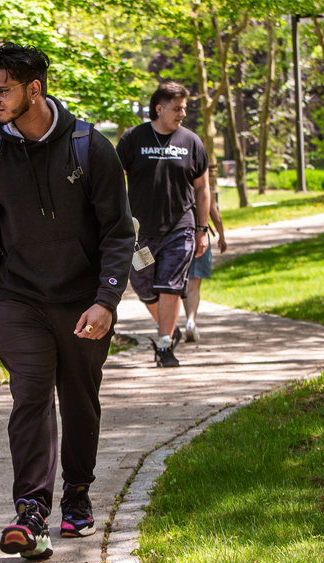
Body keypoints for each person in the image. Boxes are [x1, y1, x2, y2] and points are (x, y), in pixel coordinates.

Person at [0, 43, 135, 559]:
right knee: (31, 394)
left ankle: (76, 492)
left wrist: (106, 300)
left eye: (3, 90)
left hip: (83, 301)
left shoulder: (89, 147)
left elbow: (118, 233)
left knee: (79, 399)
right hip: (18, 300)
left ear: (33, 89)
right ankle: (30, 510)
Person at [116, 81, 211, 367]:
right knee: (144, 285)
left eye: (185, 108)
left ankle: (165, 344)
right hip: (140, 235)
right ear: (159, 108)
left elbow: (202, 188)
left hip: (179, 230)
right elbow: (113, 180)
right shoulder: (133, 138)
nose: (183, 113)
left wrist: (202, 230)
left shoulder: (191, 142)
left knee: (170, 286)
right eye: (177, 108)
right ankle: (170, 329)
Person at [184, 196, 227, 341]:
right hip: (200, 236)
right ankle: (191, 321)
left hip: (180, 236)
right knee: (194, 286)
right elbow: (214, 213)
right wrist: (221, 236)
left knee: (185, 283)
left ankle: (187, 321)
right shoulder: (202, 187)